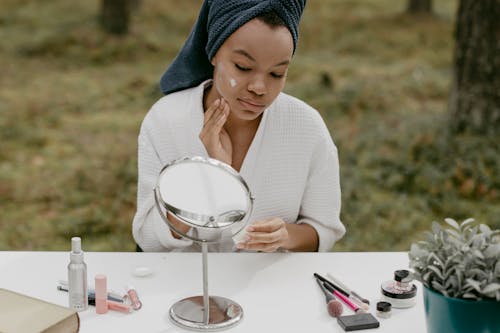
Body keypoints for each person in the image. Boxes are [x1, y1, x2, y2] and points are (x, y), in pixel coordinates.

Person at [132, 0, 345, 252]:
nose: (259, 88)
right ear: (213, 52)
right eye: (243, 67)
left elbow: (324, 230)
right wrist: (210, 175)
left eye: (277, 73)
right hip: (184, 286)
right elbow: (148, 239)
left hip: (270, 285)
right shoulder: (166, 120)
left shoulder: (307, 127)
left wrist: (286, 236)